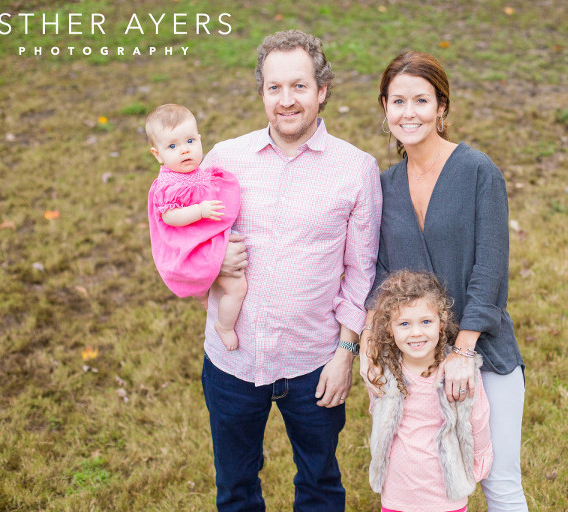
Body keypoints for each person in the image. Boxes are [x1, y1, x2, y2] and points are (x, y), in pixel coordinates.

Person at [199, 30, 382, 511]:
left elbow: (361, 271)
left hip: (314, 362)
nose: (286, 101)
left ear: (322, 91)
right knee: (235, 489)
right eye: (274, 88)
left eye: (299, 86)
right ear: (261, 92)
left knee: (320, 484)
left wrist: (345, 351)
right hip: (233, 360)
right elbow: (185, 242)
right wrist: (210, 265)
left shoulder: (355, 168)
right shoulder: (224, 159)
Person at [359, 51, 528, 511]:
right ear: (384, 108)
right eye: (397, 101)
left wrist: (462, 350)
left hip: (482, 352)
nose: (408, 112)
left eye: (420, 100)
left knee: (498, 481)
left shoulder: (478, 172)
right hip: (412, 359)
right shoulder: (386, 185)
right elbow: (378, 273)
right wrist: (371, 351)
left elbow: (490, 268)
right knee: (420, 487)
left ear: (442, 108)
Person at [368, 270, 492, 512]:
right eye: (404, 324)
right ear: (390, 329)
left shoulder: (457, 373)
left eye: (426, 322)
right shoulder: (385, 373)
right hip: (398, 493)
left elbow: (477, 419)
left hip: (445, 494)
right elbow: (380, 418)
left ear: (441, 322)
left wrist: (478, 458)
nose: (416, 332)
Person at [146, 104, 246, 350]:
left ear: (199, 139)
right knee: (237, 286)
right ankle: (224, 325)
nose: (184, 150)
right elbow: (170, 217)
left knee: (218, 290)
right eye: (172, 146)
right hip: (190, 245)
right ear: (157, 154)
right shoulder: (168, 185)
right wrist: (199, 211)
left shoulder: (202, 173)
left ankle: (210, 304)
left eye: (190, 140)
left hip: (205, 238)